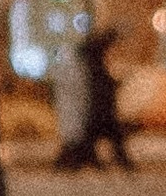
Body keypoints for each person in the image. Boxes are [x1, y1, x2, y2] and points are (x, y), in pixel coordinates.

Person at [54, 21, 133, 173]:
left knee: (90, 139)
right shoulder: (92, 61)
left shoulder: (88, 63)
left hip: (97, 109)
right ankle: (87, 161)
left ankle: (84, 161)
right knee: (106, 138)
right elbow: (101, 44)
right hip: (101, 109)